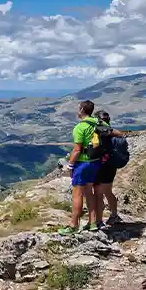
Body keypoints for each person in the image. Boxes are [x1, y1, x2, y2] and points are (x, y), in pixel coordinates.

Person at [58, 100, 102, 235]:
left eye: (78, 108)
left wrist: (70, 166)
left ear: (82, 109)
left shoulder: (79, 128)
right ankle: (93, 222)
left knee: (77, 193)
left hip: (83, 163)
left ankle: (73, 225)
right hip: (96, 162)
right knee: (89, 191)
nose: (78, 111)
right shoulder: (98, 122)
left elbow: (77, 150)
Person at [93, 110, 126, 227]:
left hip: (101, 166)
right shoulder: (112, 131)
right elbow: (121, 135)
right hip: (110, 166)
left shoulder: (101, 131)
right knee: (107, 191)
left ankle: (99, 221)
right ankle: (114, 214)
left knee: (98, 193)